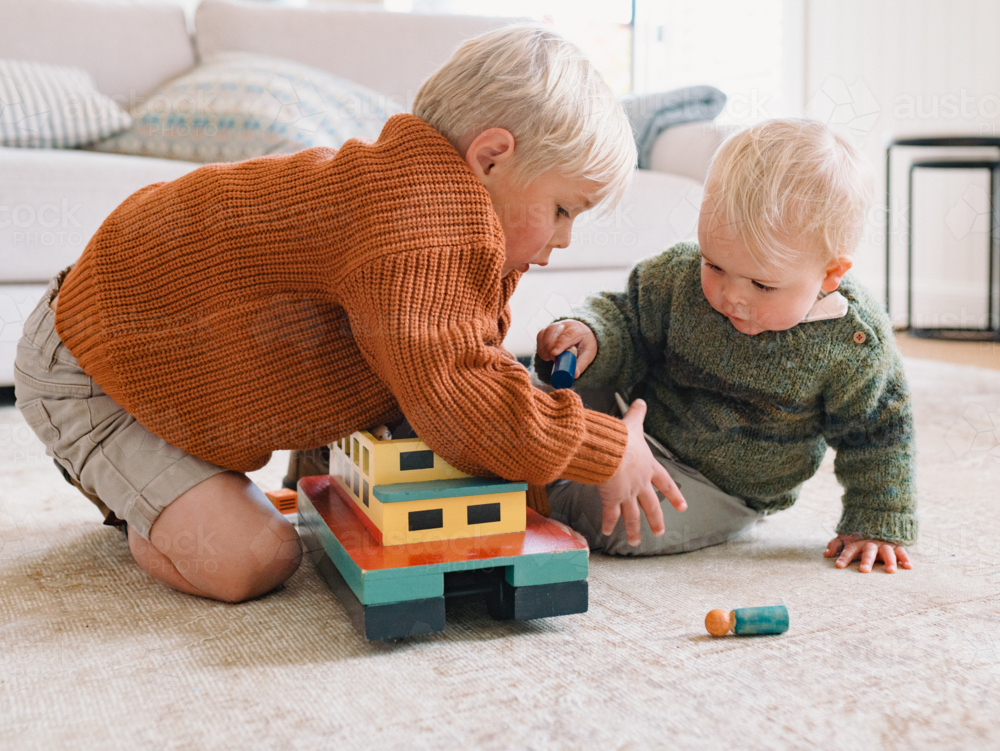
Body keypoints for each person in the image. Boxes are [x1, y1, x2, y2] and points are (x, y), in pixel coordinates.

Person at [13, 25, 685, 603]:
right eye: (563, 209)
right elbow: (459, 397)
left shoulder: (435, 209)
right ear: (490, 157)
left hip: (156, 345)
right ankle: (136, 502)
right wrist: (600, 443)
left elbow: (375, 365)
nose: (565, 239)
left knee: (350, 487)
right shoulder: (416, 220)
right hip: (92, 364)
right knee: (256, 557)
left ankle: (178, 484)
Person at [535, 118, 917, 573]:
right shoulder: (679, 274)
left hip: (718, 486)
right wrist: (590, 335)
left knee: (620, 520)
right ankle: (564, 453)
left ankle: (544, 479)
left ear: (830, 275)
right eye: (714, 265)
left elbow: (878, 433)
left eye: (761, 284)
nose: (731, 296)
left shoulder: (853, 340)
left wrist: (877, 521)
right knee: (536, 393)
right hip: (636, 417)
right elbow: (627, 317)